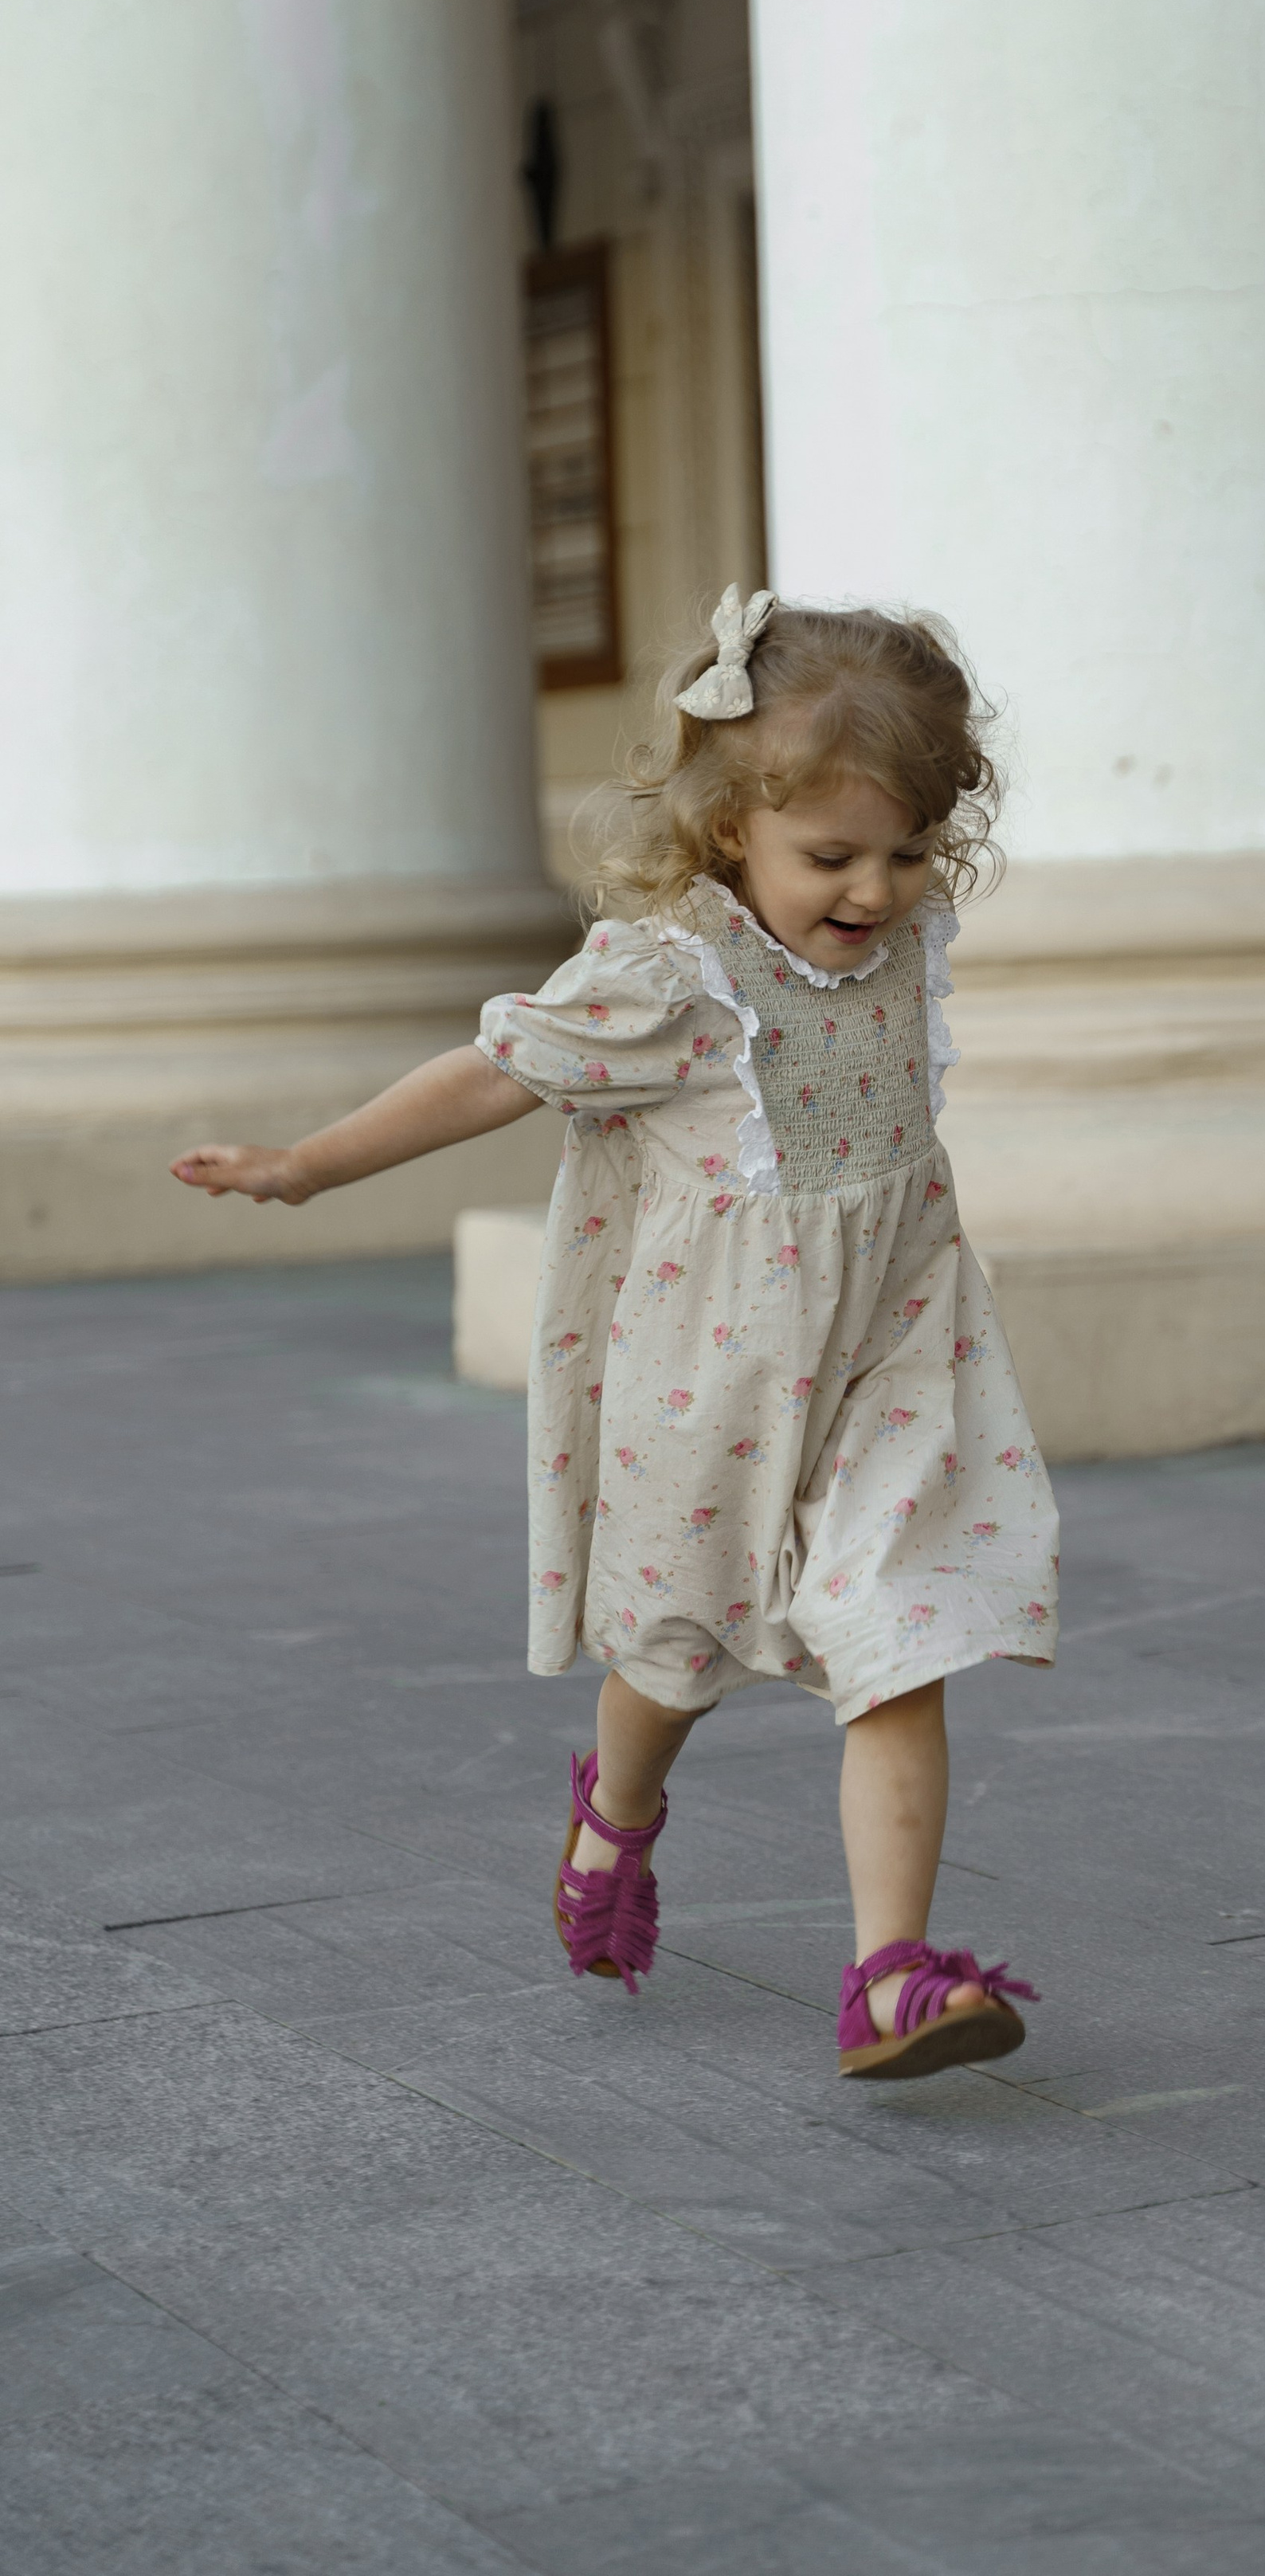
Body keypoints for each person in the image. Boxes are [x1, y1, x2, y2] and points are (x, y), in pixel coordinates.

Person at [172, 588, 1058, 2080]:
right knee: (673, 1651)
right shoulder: (672, 979)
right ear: (730, 830)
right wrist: (306, 1165)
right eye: (831, 856)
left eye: (907, 852)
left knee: (907, 1640)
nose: (876, 890)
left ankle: (892, 1976)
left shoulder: (909, 954)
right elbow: (493, 1073)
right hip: (707, 1384)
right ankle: (617, 1818)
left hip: (894, 1361)